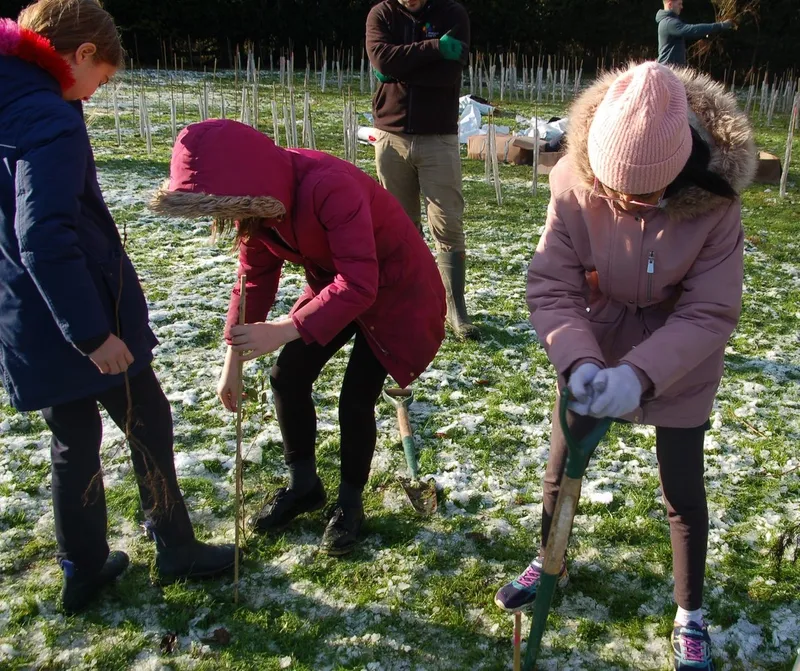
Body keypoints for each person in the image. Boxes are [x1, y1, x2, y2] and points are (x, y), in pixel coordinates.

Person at [494, 62, 755, 671]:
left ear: (681, 169)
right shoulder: (571, 180)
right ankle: (550, 558)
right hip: (599, 331)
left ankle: (690, 612)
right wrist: (578, 359)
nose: (628, 203)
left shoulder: (715, 204)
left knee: (681, 487)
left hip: (680, 350)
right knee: (563, 463)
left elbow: (711, 311)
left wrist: (640, 376)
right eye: (616, 189)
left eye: (647, 194)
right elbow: (553, 286)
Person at [0, 0, 236, 615]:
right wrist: (93, 334)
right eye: (101, 78)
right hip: (82, 307)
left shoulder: (12, 99)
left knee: (73, 436)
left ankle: (82, 569)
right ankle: (176, 546)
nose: (97, 92)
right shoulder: (50, 118)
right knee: (147, 418)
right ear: (81, 54)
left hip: (28, 309)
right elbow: (44, 235)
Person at [151, 119, 446, 557]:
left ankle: (350, 505)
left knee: (355, 397)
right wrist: (232, 362)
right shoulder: (256, 208)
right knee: (287, 376)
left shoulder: (327, 186)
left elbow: (360, 283)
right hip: (337, 285)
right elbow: (252, 282)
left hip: (396, 291)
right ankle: (304, 486)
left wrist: (282, 330)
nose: (225, 219)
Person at [366, 0, 479, 340]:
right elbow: (381, 60)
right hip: (391, 136)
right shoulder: (382, 15)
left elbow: (447, 74)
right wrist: (434, 49)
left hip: (438, 138)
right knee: (399, 226)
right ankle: (409, 302)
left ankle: (455, 307)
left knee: (447, 222)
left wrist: (397, 67)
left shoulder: (453, 14)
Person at [657, 0, 734, 66]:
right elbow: (693, 30)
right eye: (679, 4)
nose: (682, 7)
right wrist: (721, 25)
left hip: (670, 70)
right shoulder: (668, 23)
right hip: (668, 71)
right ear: (670, 5)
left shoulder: (669, 21)